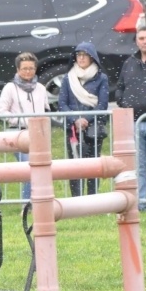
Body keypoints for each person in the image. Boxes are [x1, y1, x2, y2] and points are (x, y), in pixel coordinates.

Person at [0, 52, 50, 201]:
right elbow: (2, 111)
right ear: (18, 70)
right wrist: (20, 121)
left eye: (31, 68)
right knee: (30, 166)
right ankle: (27, 203)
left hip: (38, 135)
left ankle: (38, 199)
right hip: (18, 135)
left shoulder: (41, 88)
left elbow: (45, 109)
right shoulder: (10, 88)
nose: (28, 72)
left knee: (40, 167)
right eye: (24, 68)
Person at [115, 26, 146, 212]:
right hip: (134, 122)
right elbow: (120, 86)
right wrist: (123, 102)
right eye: (141, 38)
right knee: (138, 166)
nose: (145, 41)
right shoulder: (129, 62)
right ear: (136, 41)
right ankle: (139, 203)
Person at [58, 42, 109, 197]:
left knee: (93, 165)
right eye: (78, 55)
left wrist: (86, 119)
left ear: (92, 57)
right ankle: (76, 199)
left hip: (93, 129)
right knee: (74, 164)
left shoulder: (101, 78)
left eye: (84, 55)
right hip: (73, 129)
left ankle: (92, 198)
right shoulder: (68, 78)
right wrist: (75, 119)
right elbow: (62, 103)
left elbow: (102, 104)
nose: (81, 58)